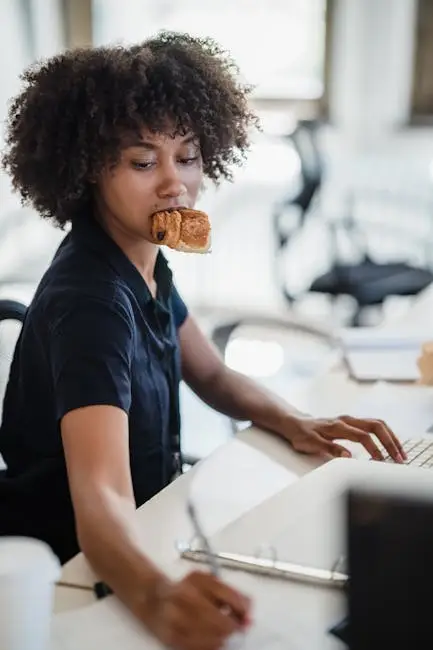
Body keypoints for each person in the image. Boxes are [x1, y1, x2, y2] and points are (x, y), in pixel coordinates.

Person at [0, 32, 405, 650]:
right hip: (76, 573)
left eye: (187, 157)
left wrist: (298, 421)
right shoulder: (91, 303)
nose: (175, 185)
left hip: (149, 527)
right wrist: (158, 595)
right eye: (143, 161)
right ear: (86, 168)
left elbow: (211, 374)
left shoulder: (143, 258)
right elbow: (102, 493)